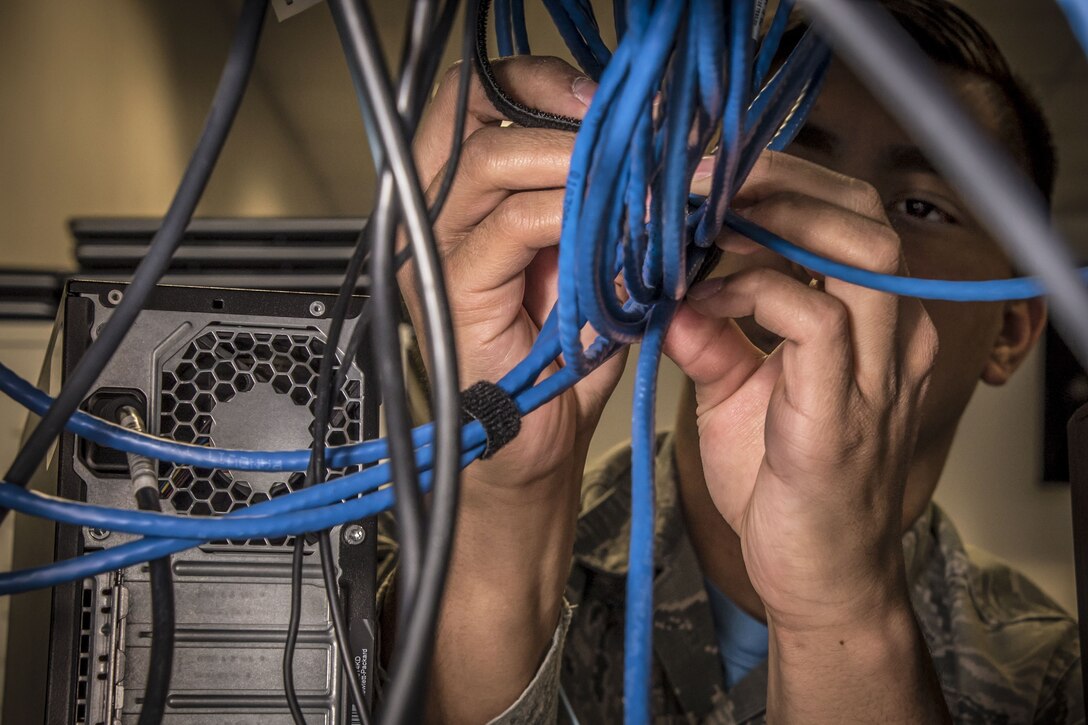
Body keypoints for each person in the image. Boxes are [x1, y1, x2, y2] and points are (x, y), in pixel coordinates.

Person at [384, 0, 1083, 721]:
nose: (842, 229)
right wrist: (506, 505)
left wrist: (842, 603)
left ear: (1013, 330)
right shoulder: (377, 584)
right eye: (789, 160)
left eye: (923, 207)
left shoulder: (1053, 679)